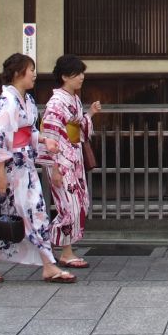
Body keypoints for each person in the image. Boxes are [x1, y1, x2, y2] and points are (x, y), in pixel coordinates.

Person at [0, 53, 76, 284]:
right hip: (7, 166)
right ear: (19, 73)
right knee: (2, 212)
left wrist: (43, 141)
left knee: (34, 211)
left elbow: (28, 130)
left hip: (23, 164)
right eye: (31, 70)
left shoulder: (25, 100)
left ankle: (48, 265)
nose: (35, 75)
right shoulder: (7, 102)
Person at [39, 54, 102, 268]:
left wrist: (90, 114)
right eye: (78, 73)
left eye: (82, 73)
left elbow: (77, 128)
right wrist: (54, 167)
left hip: (73, 158)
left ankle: (52, 246)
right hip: (61, 161)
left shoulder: (73, 98)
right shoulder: (56, 103)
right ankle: (57, 248)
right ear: (65, 76)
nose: (82, 77)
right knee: (69, 207)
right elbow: (50, 135)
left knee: (80, 203)